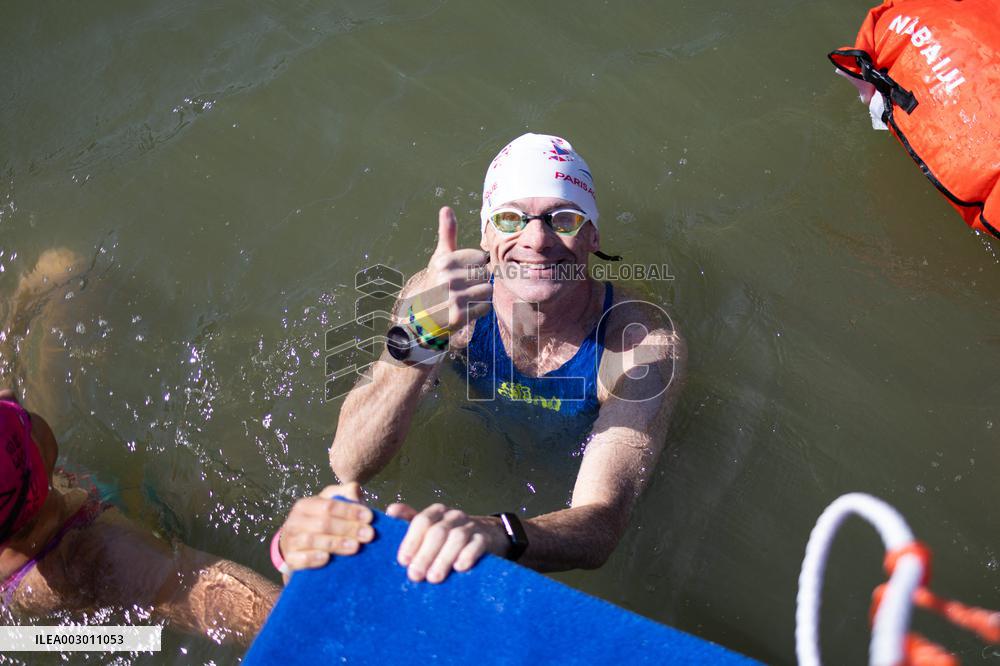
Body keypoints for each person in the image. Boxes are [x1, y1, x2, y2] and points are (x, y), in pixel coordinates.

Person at [313, 133, 686, 584]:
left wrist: (497, 533)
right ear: (487, 235)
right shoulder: (443, 300)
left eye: (563, 219)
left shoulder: (637, 344)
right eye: (511, 219)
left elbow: (601, 523)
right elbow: (348, 464)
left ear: (592, 235)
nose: (537, 239)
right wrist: (423, 335)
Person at [0, 250, 279, 646]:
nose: (8, 393)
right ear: (38, 462)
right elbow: (212, 595)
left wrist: (18, 318)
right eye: (18, 418)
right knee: (233, 471)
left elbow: (56, 264)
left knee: (62, 265)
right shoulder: (93, 556)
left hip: (40, 552)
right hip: (97, 599)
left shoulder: (21, 498)